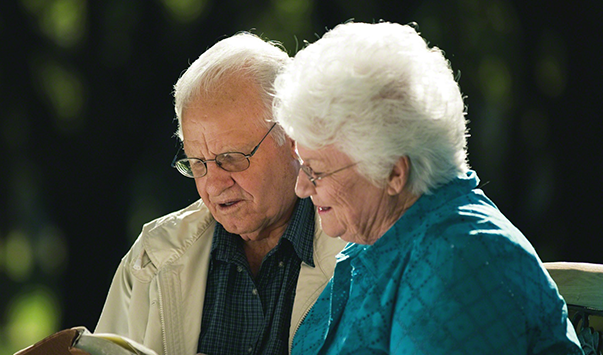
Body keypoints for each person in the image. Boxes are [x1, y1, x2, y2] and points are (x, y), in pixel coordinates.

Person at [272, 21, 583, 354]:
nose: (302, 187)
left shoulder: (459, 257)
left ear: (394, 173)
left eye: (316, 171)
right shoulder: (383, 240)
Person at [95, 32, 347, 355]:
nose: (213, 186)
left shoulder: (360, 248)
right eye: (197, 164)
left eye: (231, 158)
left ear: (292, 134)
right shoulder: (151, 260)